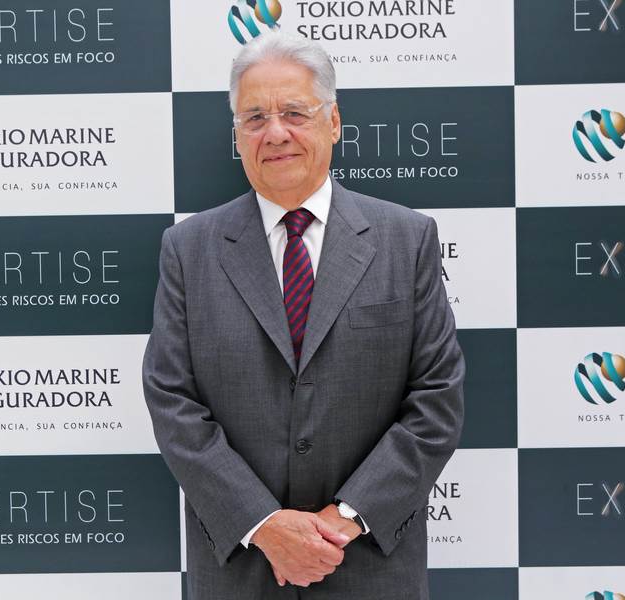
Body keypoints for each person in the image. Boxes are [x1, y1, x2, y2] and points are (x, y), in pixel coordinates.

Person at [142, 31, 464, 599]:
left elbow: (436, 400)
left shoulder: (407, 239)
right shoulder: (188, 250)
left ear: (333, 122)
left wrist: (343, 520)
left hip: (369, 568)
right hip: (242, 572)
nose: (275, 133)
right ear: (237, 136)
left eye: (295, 112)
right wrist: (264, 524)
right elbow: (172, 401)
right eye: (254, 118)